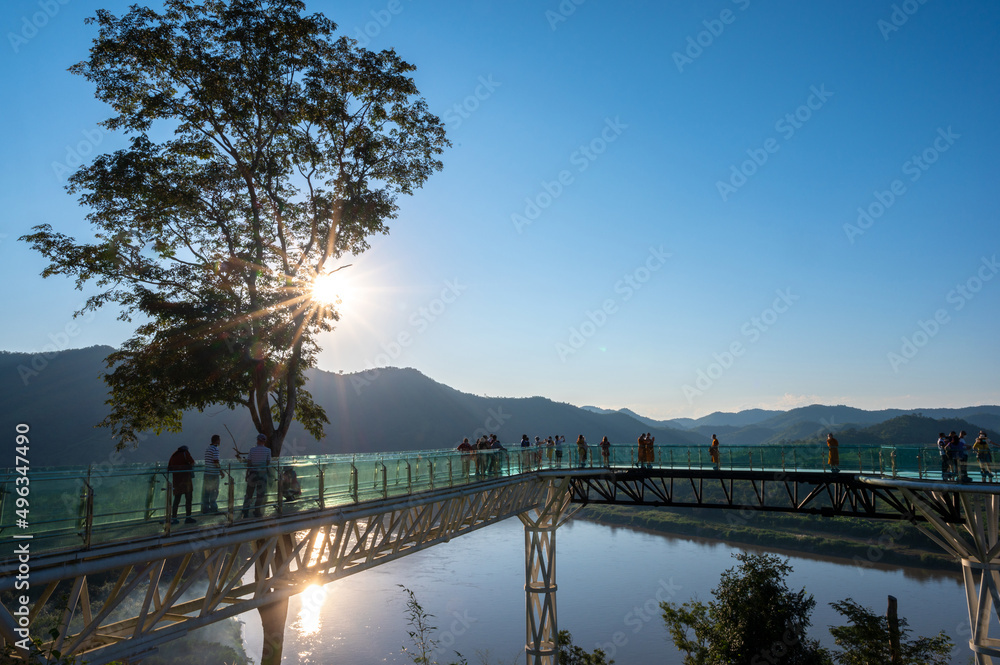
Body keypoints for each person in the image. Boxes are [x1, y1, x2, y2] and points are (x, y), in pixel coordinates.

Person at [241, 433, 272, 518]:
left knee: (249, 494)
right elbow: (268, 462)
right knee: (260, 494)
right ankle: (257, 511)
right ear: (264, 441)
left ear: (258, 440)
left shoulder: (252, 450)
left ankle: (245, 511)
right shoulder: (268, 450)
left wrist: (247, 474)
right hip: (262, 474)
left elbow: (249, 462)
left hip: (252, 473)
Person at [168, 445, 197, 524]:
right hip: (186, 480)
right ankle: (188, 518)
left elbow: (169, 467)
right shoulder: (185, 453)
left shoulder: (173, 455)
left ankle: (174, 518)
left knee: (176, 500)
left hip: (177, 481)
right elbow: (192, 462)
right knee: (188, 499)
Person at [201, 434, 222, 514]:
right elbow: (216, 461)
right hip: (213, 473)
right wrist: (221, 471)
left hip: (207, 472)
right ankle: (214, 509)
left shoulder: (208, 449)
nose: (220, 442)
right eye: (219, 440)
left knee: (206, 491)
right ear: (216, 440)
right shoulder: (215, 449)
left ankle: (205, 509)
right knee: (214, 491)